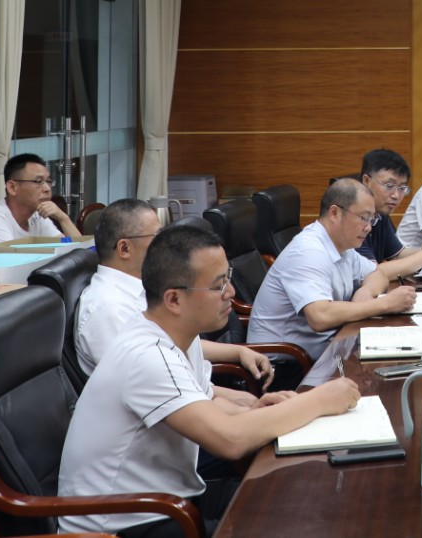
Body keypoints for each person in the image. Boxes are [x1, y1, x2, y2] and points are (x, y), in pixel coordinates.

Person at [58, 224, 361, 537]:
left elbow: (208, 402)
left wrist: (256, 410)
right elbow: (229, 440)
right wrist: (318, 400)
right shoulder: (147, 356)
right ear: (174, 299)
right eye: (218, 286)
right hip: (122, 523)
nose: (231, 293)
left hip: (163, 506)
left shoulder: (180, 338)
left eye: (228, 278)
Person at [76, 198, 274, 386]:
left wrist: (237, 353)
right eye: (157, 236)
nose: (166, 244)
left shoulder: (142, 287)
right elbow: (152, 388)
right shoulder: (108, 309)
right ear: (124, 248)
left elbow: (174, 346)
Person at [249, 178, 422, 360]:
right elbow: (320, 316)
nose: (369, 227)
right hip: (283, 364)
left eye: (372, 219)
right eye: (363, 218)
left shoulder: (342, 246)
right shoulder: (308, 251)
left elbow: (378, 273)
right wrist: (385, 304)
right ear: (335, 213)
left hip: (327, 348)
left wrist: (366, 291)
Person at [0, 153, 78, 244]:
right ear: (12, 188)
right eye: (38, 181)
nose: (47, 188)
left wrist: (63, 219)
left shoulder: (37, 216)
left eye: (48, 181)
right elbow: (12, 264)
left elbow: (79, 252)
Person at [352, 149, 420, 263]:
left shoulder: (380, 212)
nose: (396, 195)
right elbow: (373, 270)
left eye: (402, 188)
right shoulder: (352, 217)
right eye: (389, 185)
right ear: (366, 181)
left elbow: (397, 255)